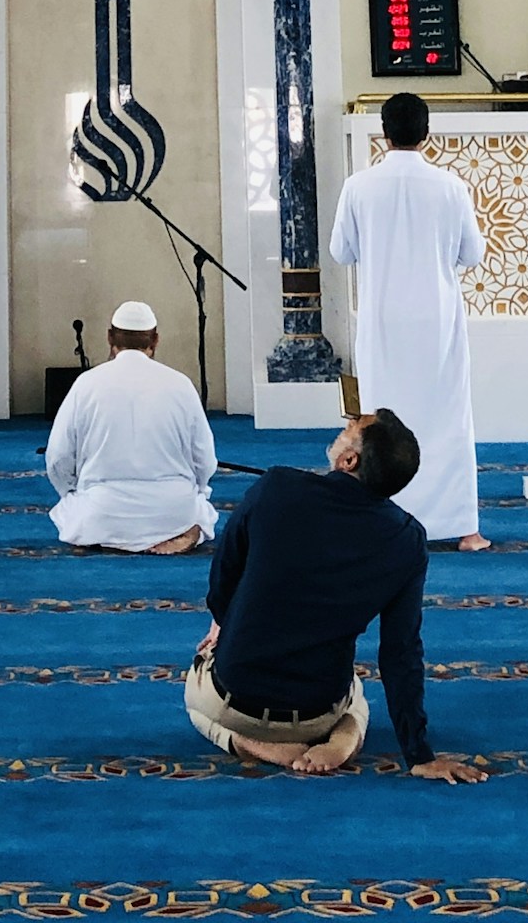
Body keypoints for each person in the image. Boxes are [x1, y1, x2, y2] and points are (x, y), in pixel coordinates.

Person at [183, 406, 485, 780]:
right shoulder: (407, 541)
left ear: (348, 460)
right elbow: (401, 651)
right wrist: (418, 754)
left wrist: (222, 625)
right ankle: (346, 737)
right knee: (356, 693)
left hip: (236, 701)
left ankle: (250, 744)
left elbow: (223, 578)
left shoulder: (277, 487)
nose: (346, 425)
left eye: (353, 426)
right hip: (317, 711)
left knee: (195, 698)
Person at [329, 90, 488, 548]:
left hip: (381, 321)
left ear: (384, 133)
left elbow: (341, 252)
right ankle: (464, 528)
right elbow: (472, 255)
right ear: (426, 133)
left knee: (380, 422)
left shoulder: (358, 186)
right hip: (437, 321)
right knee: (448, 419)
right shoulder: (451, 187)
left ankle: (379, 521)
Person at [45, 300, 217, 554]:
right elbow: (205, 459)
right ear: (155, 340)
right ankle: (185, 530)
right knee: (198, 508)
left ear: (109, 338)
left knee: (73, 512)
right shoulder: (181, 384)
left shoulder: (86, 384)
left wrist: (71, 491)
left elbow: (58, 457)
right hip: (172, 510)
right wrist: (198, 491)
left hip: (103, 509)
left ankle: (104, 536)